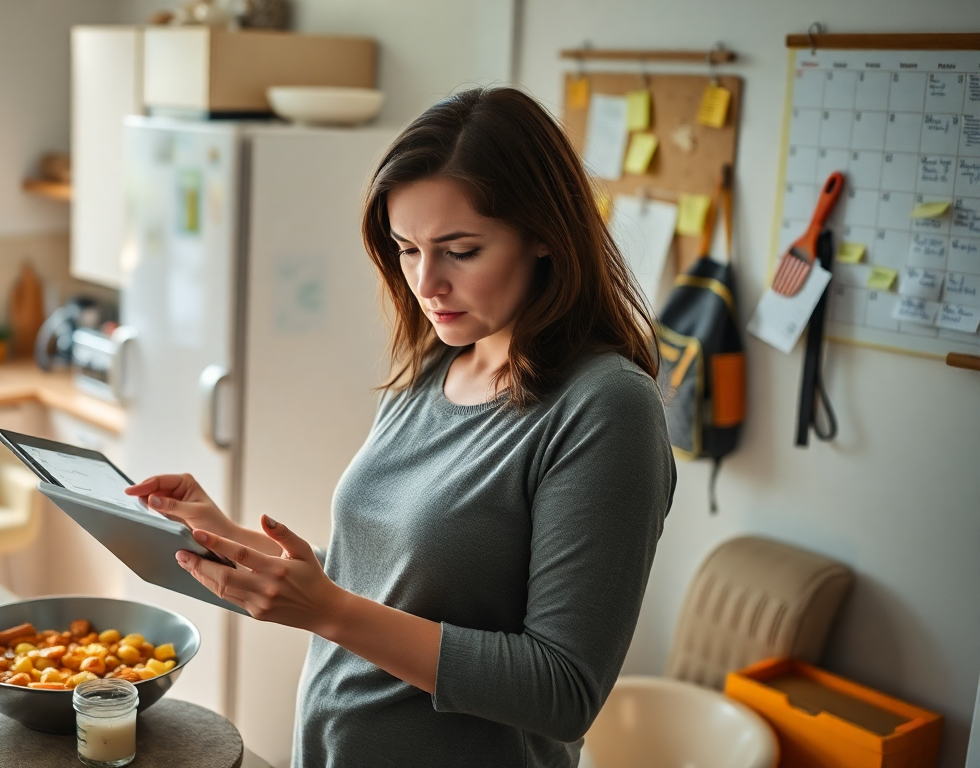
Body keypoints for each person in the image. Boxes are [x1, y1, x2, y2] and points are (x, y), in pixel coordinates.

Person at [124, 86, 676, 768]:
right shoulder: (435, 365)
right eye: (407, 249)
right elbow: (381, 584)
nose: (426, 282)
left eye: (460, 250)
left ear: (544, 236)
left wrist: (328, 612)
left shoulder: (606, 408)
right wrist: (226, 538)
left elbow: (561, 690)